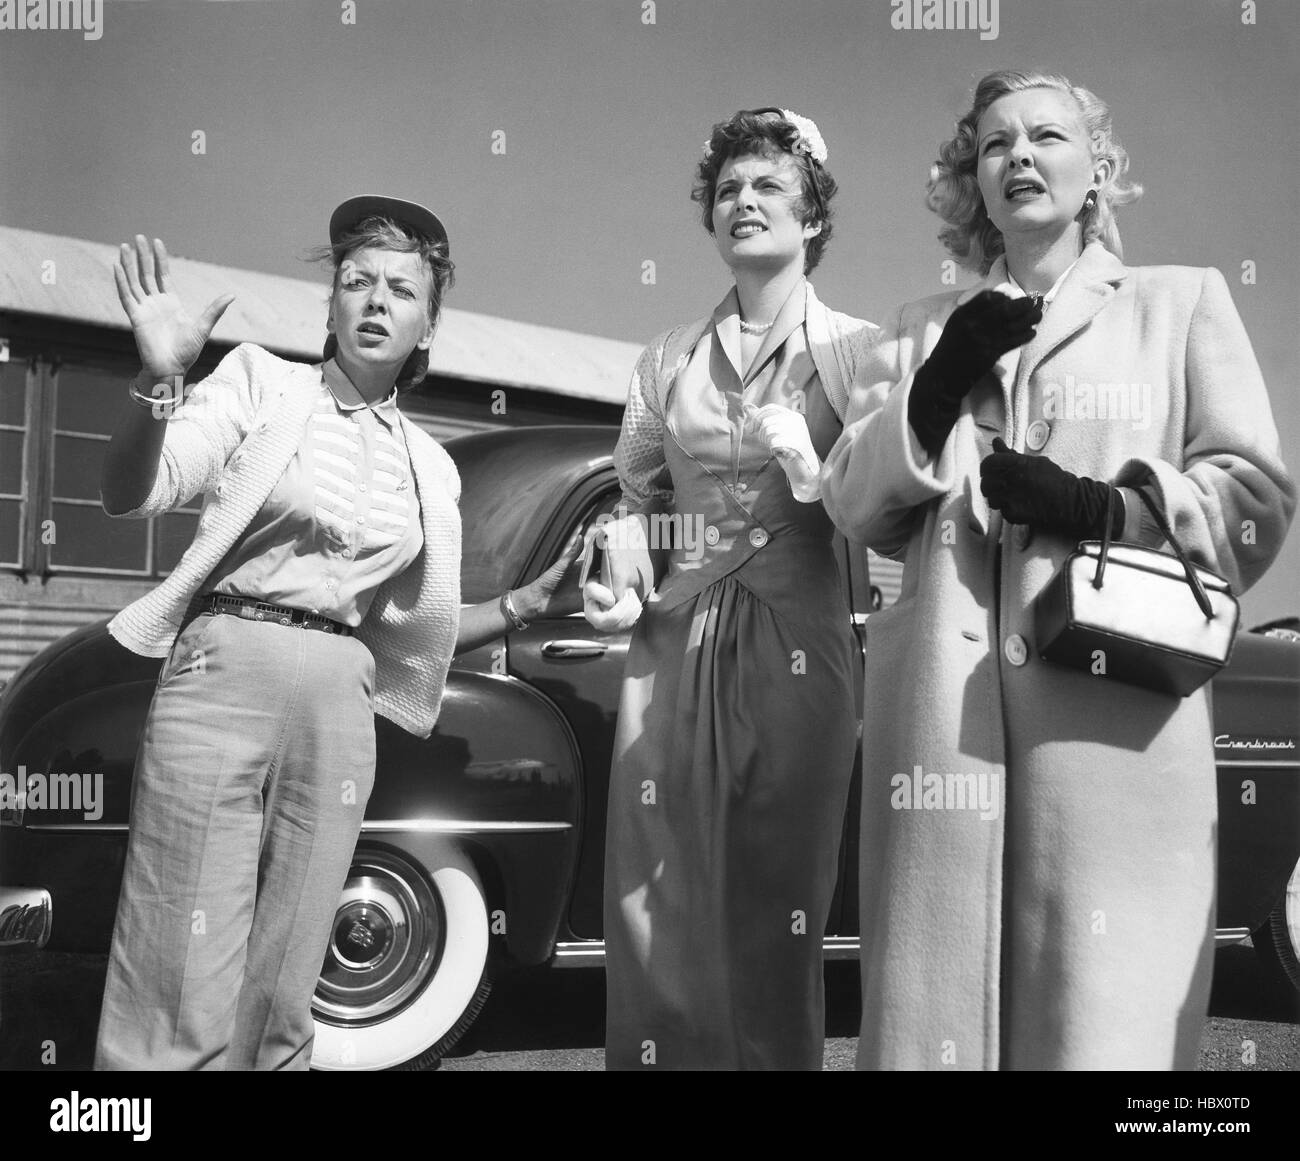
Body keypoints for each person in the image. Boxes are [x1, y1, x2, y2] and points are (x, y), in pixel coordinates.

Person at [821, 70, 1296, 1070]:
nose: (1019, 157)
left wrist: (1105, 506)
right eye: (994, 145)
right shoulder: (911, 330)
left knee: (1100, 1029)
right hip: (941, 741)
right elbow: (853, 506)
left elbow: (1253, 500)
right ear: (973, 181)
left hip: (1115, 737)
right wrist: (939, 381)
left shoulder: (1178, 305)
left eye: (1046, 137)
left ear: (1095, 175)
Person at [94, 197, 581, 1070]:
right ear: (329, 304)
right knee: (179, 964)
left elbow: (415, 634)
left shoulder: (431, 467)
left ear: (429, 323)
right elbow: (133, 487)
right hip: (223, 671)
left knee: (287, 979)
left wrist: (518, 608)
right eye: (356, 279)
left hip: (339, 707)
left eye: (402, 287)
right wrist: (156, 381)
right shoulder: (258, 383)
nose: (375, 299)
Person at [586, 109, 877, 1070]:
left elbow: (889, 514)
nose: (742, 203)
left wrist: (821, 472)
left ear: (813, 219)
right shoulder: (665, 356)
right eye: (727, 191)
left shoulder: (862, 352)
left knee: (776, 897)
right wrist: (629, 542)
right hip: (673, 645)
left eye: (767, 188)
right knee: (650, 898)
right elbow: (641, 497)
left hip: (802, 645)